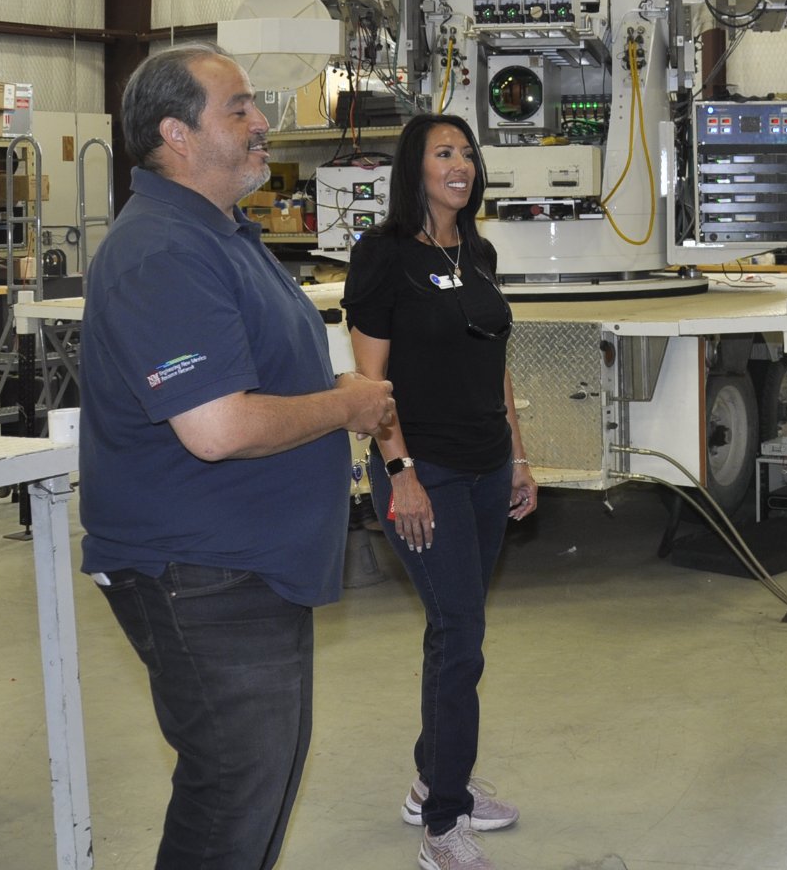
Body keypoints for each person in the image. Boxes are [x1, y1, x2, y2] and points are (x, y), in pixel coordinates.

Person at [79, 44, 396, 870]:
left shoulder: (221, 235)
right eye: (241, 109)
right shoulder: (163, 253)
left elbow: (256, 375)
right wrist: (350, 404)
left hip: (245, 570)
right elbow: (215, 428)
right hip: (200, 575)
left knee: (257, 782)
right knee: (232, 792)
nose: (263, 123)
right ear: (176, 135)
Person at [343, 113, 537, 870]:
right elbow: (370, 385)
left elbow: (497, 362)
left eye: (466, 153)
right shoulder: (382, 256)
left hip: (488, 466)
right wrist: (401, 474)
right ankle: (443, 825)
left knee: (456, 630)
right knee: (460, 637)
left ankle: (433, 780)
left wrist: (520, 458)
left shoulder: (477, 249)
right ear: (413, 170)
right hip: (424, 473)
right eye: (443, 153)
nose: (460, 164)